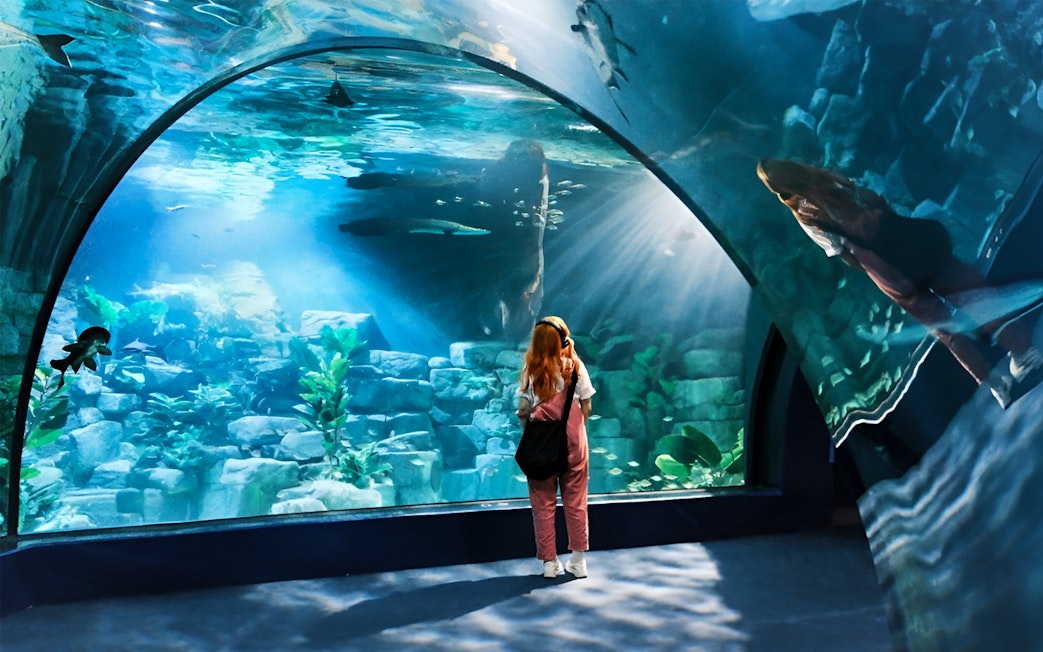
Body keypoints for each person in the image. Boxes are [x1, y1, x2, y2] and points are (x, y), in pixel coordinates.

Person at [756, 158, 1043, 408]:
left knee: (941, 324)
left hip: (882, 267)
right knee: (970, 291)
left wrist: (867, 262)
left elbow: (840, 252)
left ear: (779, 191)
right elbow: (874, 197)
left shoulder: (807, 216)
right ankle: (1023, 352)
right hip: (900, 235)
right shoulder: (829, 176)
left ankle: (994, 383)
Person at [516, 316, 596, 578]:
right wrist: (573, 429)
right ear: (562, 339)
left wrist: (532, 433)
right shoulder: (575, 365)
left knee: (543, 502)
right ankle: (578, 561)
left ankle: (550, 563)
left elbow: (523, 410)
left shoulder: (532, 366)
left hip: (541, 438)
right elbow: (587, 405)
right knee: (575, 499)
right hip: (573, 435)